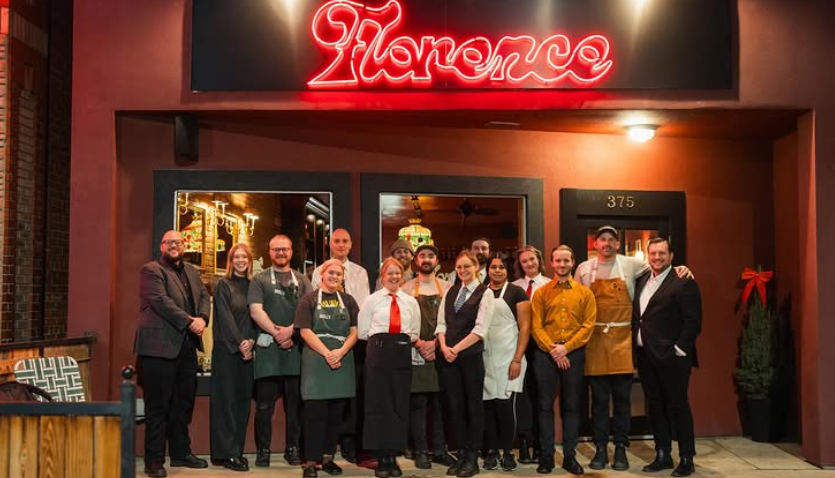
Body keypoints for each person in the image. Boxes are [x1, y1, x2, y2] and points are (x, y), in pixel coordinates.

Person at [574, 226, 692, 471]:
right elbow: (578, 303)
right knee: (598, 401)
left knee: (622, 401)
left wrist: (683, 267)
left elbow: (664, 270)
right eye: (602, 239)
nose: (606, 243)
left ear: (618, 244)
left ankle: (620, 448)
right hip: (595, 341)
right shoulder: (584, 269)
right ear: (595, 244)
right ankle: (599, 448)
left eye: (611, 240)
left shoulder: (633, 265)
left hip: (622, 342)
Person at [136, 230, 210, 478]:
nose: (174, 246)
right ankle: (154, 461)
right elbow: (161, 302)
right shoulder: (151, 270)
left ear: (184, 244)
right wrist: (191, 321)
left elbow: (203, 297)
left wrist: (203, 318)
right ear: (162, 245)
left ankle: (180, 453)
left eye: (178, 242)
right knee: (157, 407)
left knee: (182, 405)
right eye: (169, 242)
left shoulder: (191, 270)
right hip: (158, 350)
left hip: (187, 348)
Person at [633, 238, 702, 477]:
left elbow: (693, 321)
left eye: (662, 253)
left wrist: (679, 349)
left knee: (678, 406)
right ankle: (663, 454)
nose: (657, 257)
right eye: (653, 253)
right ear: (648, 255)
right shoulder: (642, 279)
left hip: (672, 357)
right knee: (655, 405)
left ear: (671, 256)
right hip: (645, 354)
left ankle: (686, 458)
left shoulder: (683, 281)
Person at [531, 245, 596, 476]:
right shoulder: (541, 293)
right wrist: (554, 350)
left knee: (571, 406)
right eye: (557, 261)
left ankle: (570, 456)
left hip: (574, 353)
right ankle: (547, 456)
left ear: (573, 262)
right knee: (545, 405)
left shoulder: (585, 293)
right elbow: (536, 326)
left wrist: (566, 348)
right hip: (545, 355)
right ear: (551, 263)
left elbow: (588, 326)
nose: (561, 265)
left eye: (566, 261)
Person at [248, 235, 313, 467]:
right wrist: (279, 334)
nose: (281, 253)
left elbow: (308, 312)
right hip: (269, 351)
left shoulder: (303, 280)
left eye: (284, 249)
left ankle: (292, 448)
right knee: (264, 406)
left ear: (291, 251)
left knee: (294, 407)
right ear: (269, 251)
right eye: (276, 249)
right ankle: (263, 450)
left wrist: (291, 332)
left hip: (295, 350)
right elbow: (256, 311)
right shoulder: (259, 279)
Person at [296, 259, 361, 478]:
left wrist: (340, 352)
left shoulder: (349, 301)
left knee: (335, 415)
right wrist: (327, 353)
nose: (335, 276)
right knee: (315, 414)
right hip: (317, 359)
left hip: (342, 359)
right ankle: (310, 462)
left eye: (339, 274)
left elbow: (355, 331)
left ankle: (327, 458)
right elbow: (305, 331)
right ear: (322, 274)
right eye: (331, 272)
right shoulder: (309, 299)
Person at [311, 228, 370, 462]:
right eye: (337, 241)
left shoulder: (360, 272)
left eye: (345, 241)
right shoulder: (319, 270)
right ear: (329, 243)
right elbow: (319, 300)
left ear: (351, 244)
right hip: (325, 340)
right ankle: (327, 445)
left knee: (350, 394)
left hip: (353, 339)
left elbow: (363, 305)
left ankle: (348, 441)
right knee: (327, 394)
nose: (341, 244)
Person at [359, 258, 421, 478]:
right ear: (382, 277)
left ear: (402, 276)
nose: (394, 277)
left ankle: (393, 455)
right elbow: (363, 331)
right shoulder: (372, 300)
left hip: (402, 352)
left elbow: (414, 331)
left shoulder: (410, 301)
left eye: (397, 273)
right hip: (378, 350)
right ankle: (381, 457)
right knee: (378, 402)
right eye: (389, 273)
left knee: (398, 402)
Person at [436, 250, 495, 477]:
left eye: (467, 267)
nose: (462, 271)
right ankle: (461, 455)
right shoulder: (451, 292)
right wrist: (443, 347)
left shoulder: (485, 293)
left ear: (476, 267)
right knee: (455, 407)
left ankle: (472, 458)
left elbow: (480, 330)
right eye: (459, 267)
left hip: (469, 358)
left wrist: (455, 349)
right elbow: (441, 324)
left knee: (473, 407)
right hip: (448, 358)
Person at [401, 244, 456, 470]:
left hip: (441, 349)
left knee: (440, 404)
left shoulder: (448, 288)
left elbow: (454, 321)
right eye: (422, 255)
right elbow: (402, 322)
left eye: (430, 256)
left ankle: (440, 449)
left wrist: (435, 344)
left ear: (436, 261)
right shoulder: (405, 288)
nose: (426, 259)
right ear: (415, 260)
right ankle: (421, 451)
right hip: (416, 351)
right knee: (418, 404)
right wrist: (420, 343)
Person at [481, 252, 531, 472]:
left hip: (510, 355)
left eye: (501, 267)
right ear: (487, 270)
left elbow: (526, 327)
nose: (497, 270)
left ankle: (509, 451)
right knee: (488, 406)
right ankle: (492, 450)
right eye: (493, 267)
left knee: (505, 406)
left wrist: (517, 359)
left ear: (507, 270)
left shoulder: (516, 292)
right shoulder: (481, 292)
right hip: (484, 355)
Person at [210, 243, 257, 472]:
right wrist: (241, 343)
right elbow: (225, 319)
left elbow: (257, 317)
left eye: (244, 257)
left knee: (242, 402)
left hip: (247, 350)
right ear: (231, 260)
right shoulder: (223, 285)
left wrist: (252, 341)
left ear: (249, 260)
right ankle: (225, 453)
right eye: (236, 257)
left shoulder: (254, 286)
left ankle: (236, 450)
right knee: (225, 403)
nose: (240, 260)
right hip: (227, 350)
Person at [511, 245, 551, 464]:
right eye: (525, 261)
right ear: (520, 265)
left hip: (541, 347)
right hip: (519, 346)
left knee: (541, 397)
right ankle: (524, 444)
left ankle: (540, 446)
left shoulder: (550, 285)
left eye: (532, 259)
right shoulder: (514, 287)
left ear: (539, 260)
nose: (529, 264)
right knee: (522, 397)